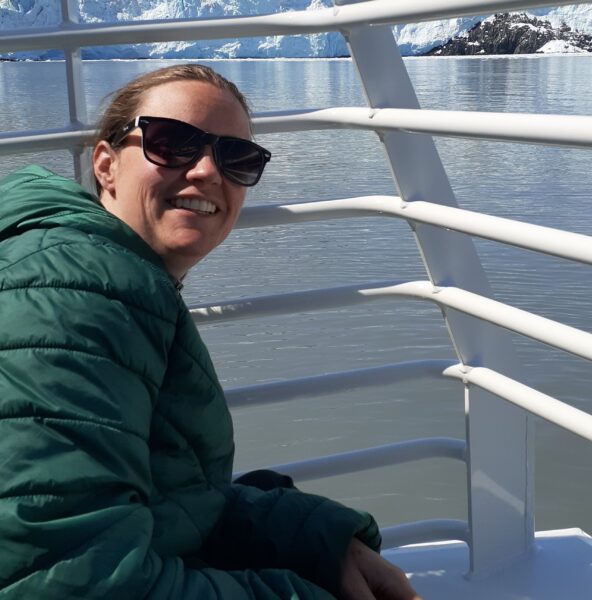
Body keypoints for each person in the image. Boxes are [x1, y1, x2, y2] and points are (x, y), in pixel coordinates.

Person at [0, 64, 421, 600]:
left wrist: (312, 535)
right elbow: (62, 578)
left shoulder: (107, 281)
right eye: (172, 143)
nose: (206, 172)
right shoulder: (71, 293)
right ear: (106, 166)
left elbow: (163, 497)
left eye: (237, 158)